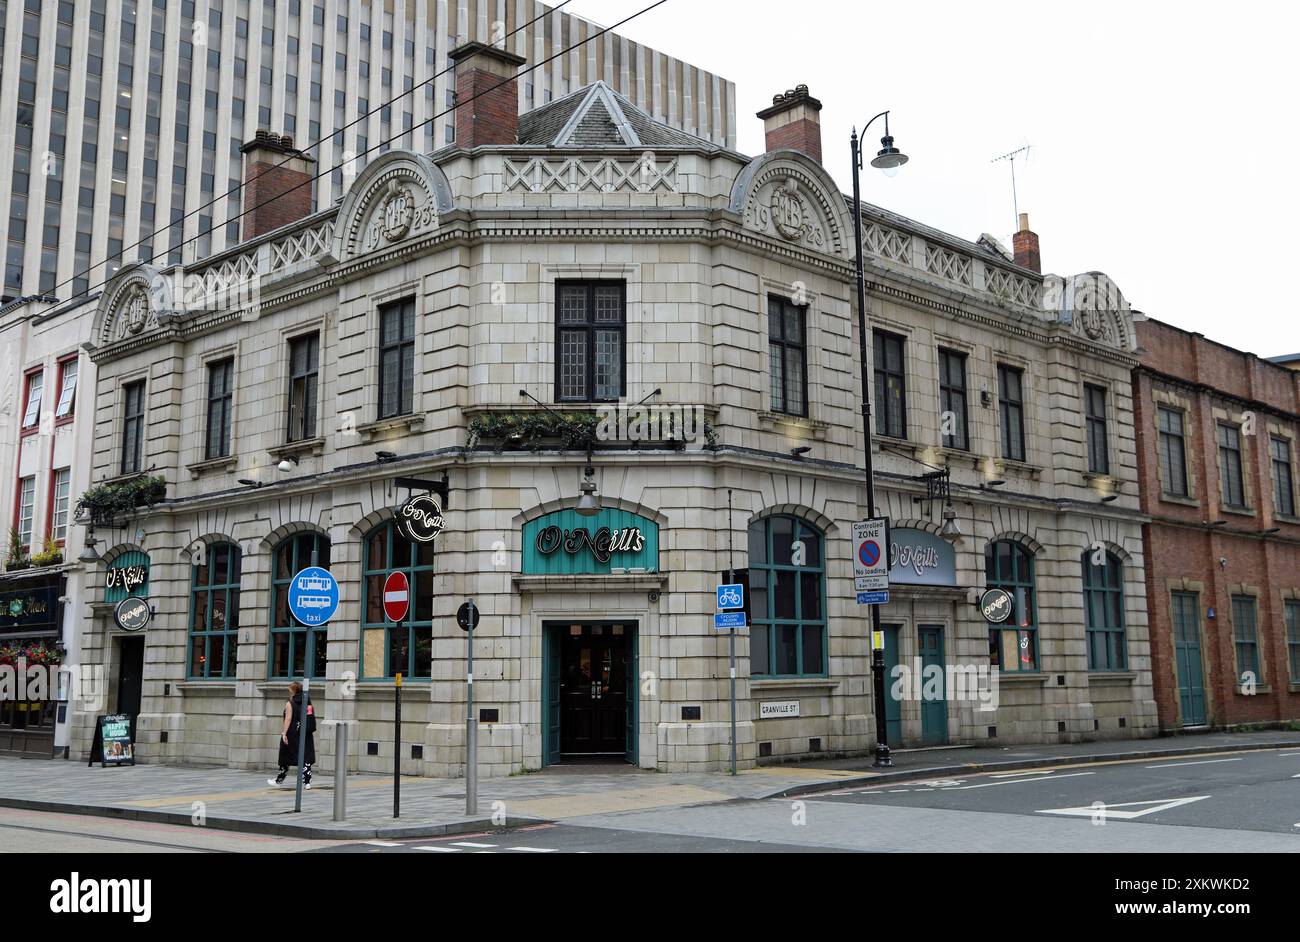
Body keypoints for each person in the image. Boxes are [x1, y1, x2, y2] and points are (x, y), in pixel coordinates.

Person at [268, 681, 316, 788]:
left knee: (285, 757)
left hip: (292, 733)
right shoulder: (307, 702)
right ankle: (307, 782)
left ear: (294, 691)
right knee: (305, 757)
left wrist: (284, 733)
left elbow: (288, 719)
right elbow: (309, 717)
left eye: (290, 690)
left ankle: (279, 781)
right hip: (305, 733)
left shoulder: (290, 703)